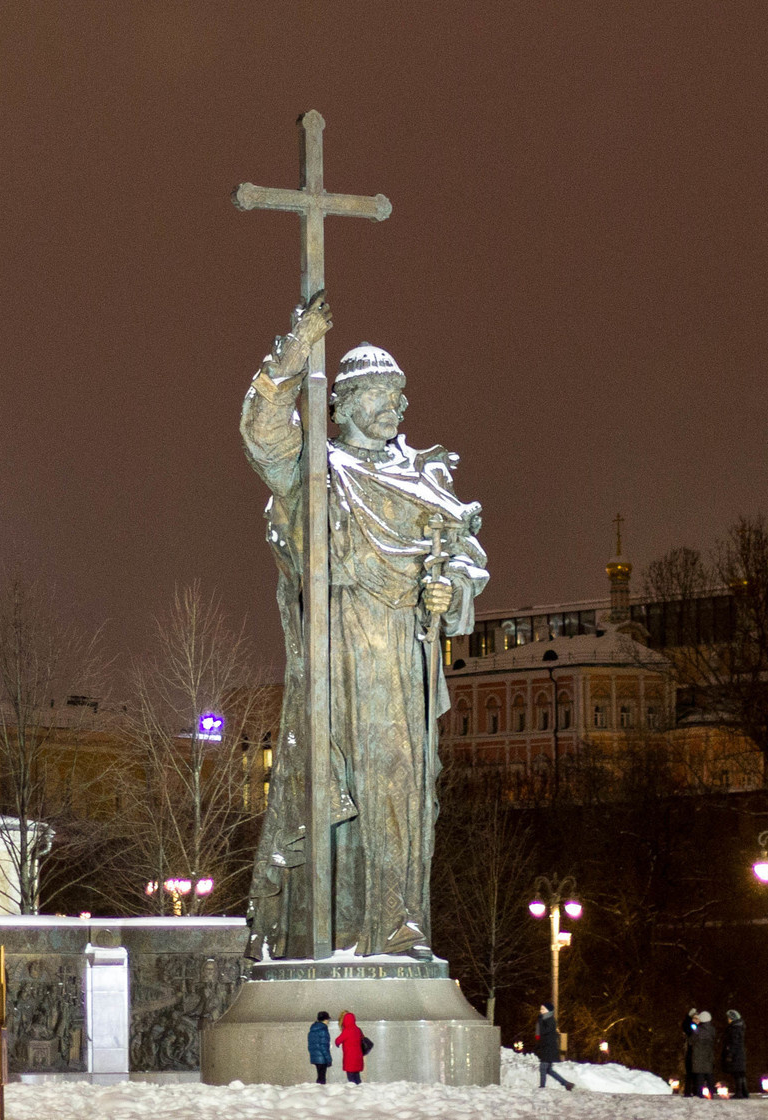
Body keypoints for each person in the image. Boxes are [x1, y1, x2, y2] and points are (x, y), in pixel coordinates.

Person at [240, 297, 490, 957]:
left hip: (402, 665)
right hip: (337, 657)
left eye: (400, 397)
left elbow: (465, 562)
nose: (396, 408)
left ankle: (399, 933)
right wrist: (296, 350)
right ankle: (331, 936)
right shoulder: (317, 473)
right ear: (344, 401)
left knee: (402, 792)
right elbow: (265, 431)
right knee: (332, 791)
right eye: (381, 394)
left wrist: (449, 591)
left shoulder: (423, 480)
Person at [535, 1004, 574, 1090]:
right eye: (540, 1009)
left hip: (549, 1048)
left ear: (548, 1010)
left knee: (543, 1068)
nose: (541, 1010)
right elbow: (539, 1035)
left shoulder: (550, 1020)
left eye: (543, 1009)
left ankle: (542, 1087)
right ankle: (566, 1084)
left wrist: (540, 1021)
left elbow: (545, 1032)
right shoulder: (544, 1019)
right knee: (548, 1070)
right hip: (546, 1048)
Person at [688, 1010, 718, 1097]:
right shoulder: (712, 1030)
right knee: (709, 1074)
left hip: (698, 1055)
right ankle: (711, 1092)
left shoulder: (698, 1030)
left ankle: (699, 1093)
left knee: (700, 1075)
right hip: (709, 1054)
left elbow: (691, 1041)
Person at [721, 1010, 749, 1098]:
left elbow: (734, 1042)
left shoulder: (734, 1029)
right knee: (741, 1073)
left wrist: (730, 1054)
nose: (728, 1019)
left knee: (737, 1073)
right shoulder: (739, 1028)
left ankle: (739, 1092)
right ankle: (744, 1092)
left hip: (736, 1054)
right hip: (739, 1053)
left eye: (729, 1018)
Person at [336, 1011, 369, 1084]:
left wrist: (337, 1044)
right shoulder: (357, 1030)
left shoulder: (347, 1030)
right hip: (358, 1057)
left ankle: (354, 1092)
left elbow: (338, 1040)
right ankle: (359, 1090)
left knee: (351, 1079)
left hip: (350, 1058)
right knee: (357, 1077)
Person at [307, 1011, 333, 1084]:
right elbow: (323, 1046)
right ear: (325, 1019)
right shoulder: (323, 1030)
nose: (328, 1021)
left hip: (316, 1057)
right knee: (322, 1078)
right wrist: (329, 1059)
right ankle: (320, 1093)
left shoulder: (312, 1030)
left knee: (320, 1076)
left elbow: (310, 1046)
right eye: (328, 1019)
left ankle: (319, 1092)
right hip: (322, 1058)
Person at [680, 1009, 700, 1096]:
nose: (696, 1020)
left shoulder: (702, 1028)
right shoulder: (690, 1027)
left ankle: (696, 1091)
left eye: (697, 1018)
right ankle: (688, 1091)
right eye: (694, 1018)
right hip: (691, 1053)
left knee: (697, 1074)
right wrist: (688, 1017)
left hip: (699, 1054)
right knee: (689, 1072)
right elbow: (685, 1027)